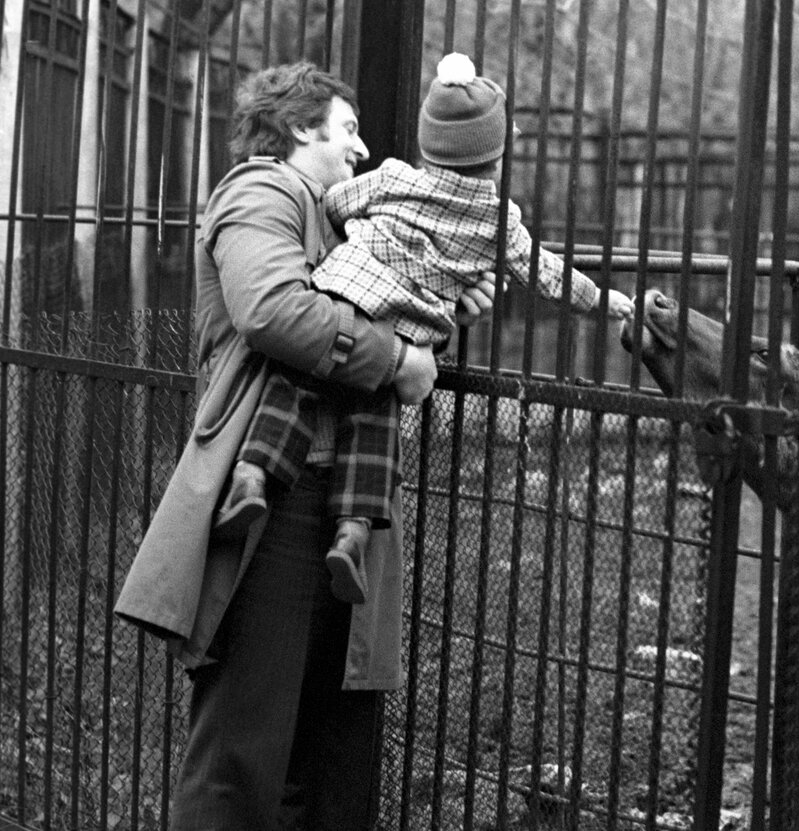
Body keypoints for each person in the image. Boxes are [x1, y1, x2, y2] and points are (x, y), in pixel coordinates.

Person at [113, 62, 495, 829]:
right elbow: (273, 309)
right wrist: (396, 358)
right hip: (275, 508)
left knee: (330, 758)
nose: (361, 151)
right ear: (297, 128)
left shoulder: (344, 225)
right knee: (243, 759)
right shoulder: (262, 192)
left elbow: (380, 318)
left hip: (347, 504)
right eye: (348, 130)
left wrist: (446, 297)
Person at [216, 52, 634, 605]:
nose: (363, 148)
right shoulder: (499, 221)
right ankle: (354, 530)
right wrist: (604, 300)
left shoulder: (395, 180)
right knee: (376, 419)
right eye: (349, 129)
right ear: (496, 155)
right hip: (397, 333)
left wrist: (385, 242)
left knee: (290, 386)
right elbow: (547, 276)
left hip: (347, 294)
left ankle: (250, 476)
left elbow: (341, 203)